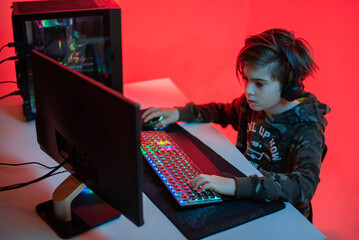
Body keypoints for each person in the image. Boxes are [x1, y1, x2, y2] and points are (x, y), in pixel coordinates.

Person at [142, 28, 330, 222]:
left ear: (290, 87)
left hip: (283, 216)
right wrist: (180, 113)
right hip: (247, 196)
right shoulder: (255, 105)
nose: (248, 90)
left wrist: (234, 186)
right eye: (247, 79)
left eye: (259, 83)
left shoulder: (307, 129)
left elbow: (304, 186)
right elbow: (223, 111)